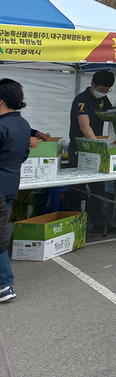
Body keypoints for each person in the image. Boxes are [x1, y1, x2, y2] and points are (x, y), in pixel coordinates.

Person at [68, 69, 116, 234]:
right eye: (101, 89)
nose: (103, 93)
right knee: (78, 189)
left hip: (96, 149)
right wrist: (100, 148)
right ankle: (73, 224)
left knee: (98, 189)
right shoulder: (81, 100)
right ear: (92, 85)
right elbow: (85, 127)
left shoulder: (103, 99)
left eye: (107, 90)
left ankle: (100, 223)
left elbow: (110, 115)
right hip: (81, 149)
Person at [0, 79, 32, 303]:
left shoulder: (2, 126)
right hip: (11, 182)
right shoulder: (23, 124)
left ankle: (4, 283)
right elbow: (23, 155)